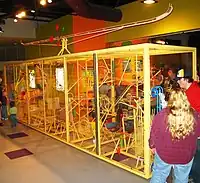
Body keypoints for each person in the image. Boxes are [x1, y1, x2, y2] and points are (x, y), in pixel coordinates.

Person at [149, 89, 200, 183]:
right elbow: (198, 134)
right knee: (182, 178)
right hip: (185, 155)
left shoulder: (161, 115)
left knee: (158, 175)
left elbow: (153, 133)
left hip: (164, 153)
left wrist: (152, 146)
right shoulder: (194, 115)